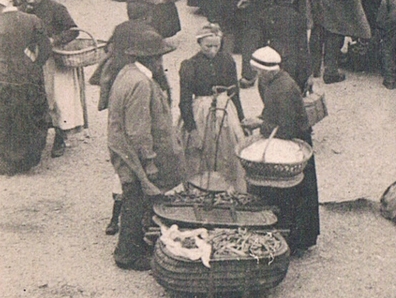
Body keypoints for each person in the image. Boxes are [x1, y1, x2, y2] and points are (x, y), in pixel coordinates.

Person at [109, 30, 184, 271]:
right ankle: (127, 254)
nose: (162, 62)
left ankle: (135, 244)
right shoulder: (141, 83)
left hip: (124, 148)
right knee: (135, 200)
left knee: (135, 197)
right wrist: (149, 160)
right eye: (159, 57)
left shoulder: (127, 72)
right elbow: (138, 130)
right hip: (134, 153)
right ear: (152, 59)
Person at [242, 47, 320, 254]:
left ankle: (296, 238)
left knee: (293, 192)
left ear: (268, 71)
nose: (258, 74)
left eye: (259, 71)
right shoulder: (271, 81)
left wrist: (259, 124)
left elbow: (286, 129)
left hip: (293, 140)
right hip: (284, 134)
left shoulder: (283, 89)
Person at [20, 0, 84, 159]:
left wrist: (54, 40)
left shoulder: (56, 9)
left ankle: (60, 137)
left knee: (59, 99)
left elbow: (73, 30)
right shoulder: (23, 9)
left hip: (55, 62)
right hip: (33, 60)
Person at [177, 23, 246, 194]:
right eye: (208, 46)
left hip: (225, 109)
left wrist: (242, 120)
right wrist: (192, 129)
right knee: (201, 150)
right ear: (199, 44)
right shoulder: (190, 65)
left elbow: (234, 92)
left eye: (217, 46)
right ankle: (200, 189)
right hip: (201, 110)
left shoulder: (228, 61)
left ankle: (226, 188)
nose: (213, 50)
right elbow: (184, 100)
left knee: (228, 149)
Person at [0, 0, 52, 176]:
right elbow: (45, 48)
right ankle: (31, 155)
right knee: (32, 111)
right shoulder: (32, 19)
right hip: (28, 71)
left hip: (4, 74)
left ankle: (11, 160)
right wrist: (36, 65)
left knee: (8, 117)